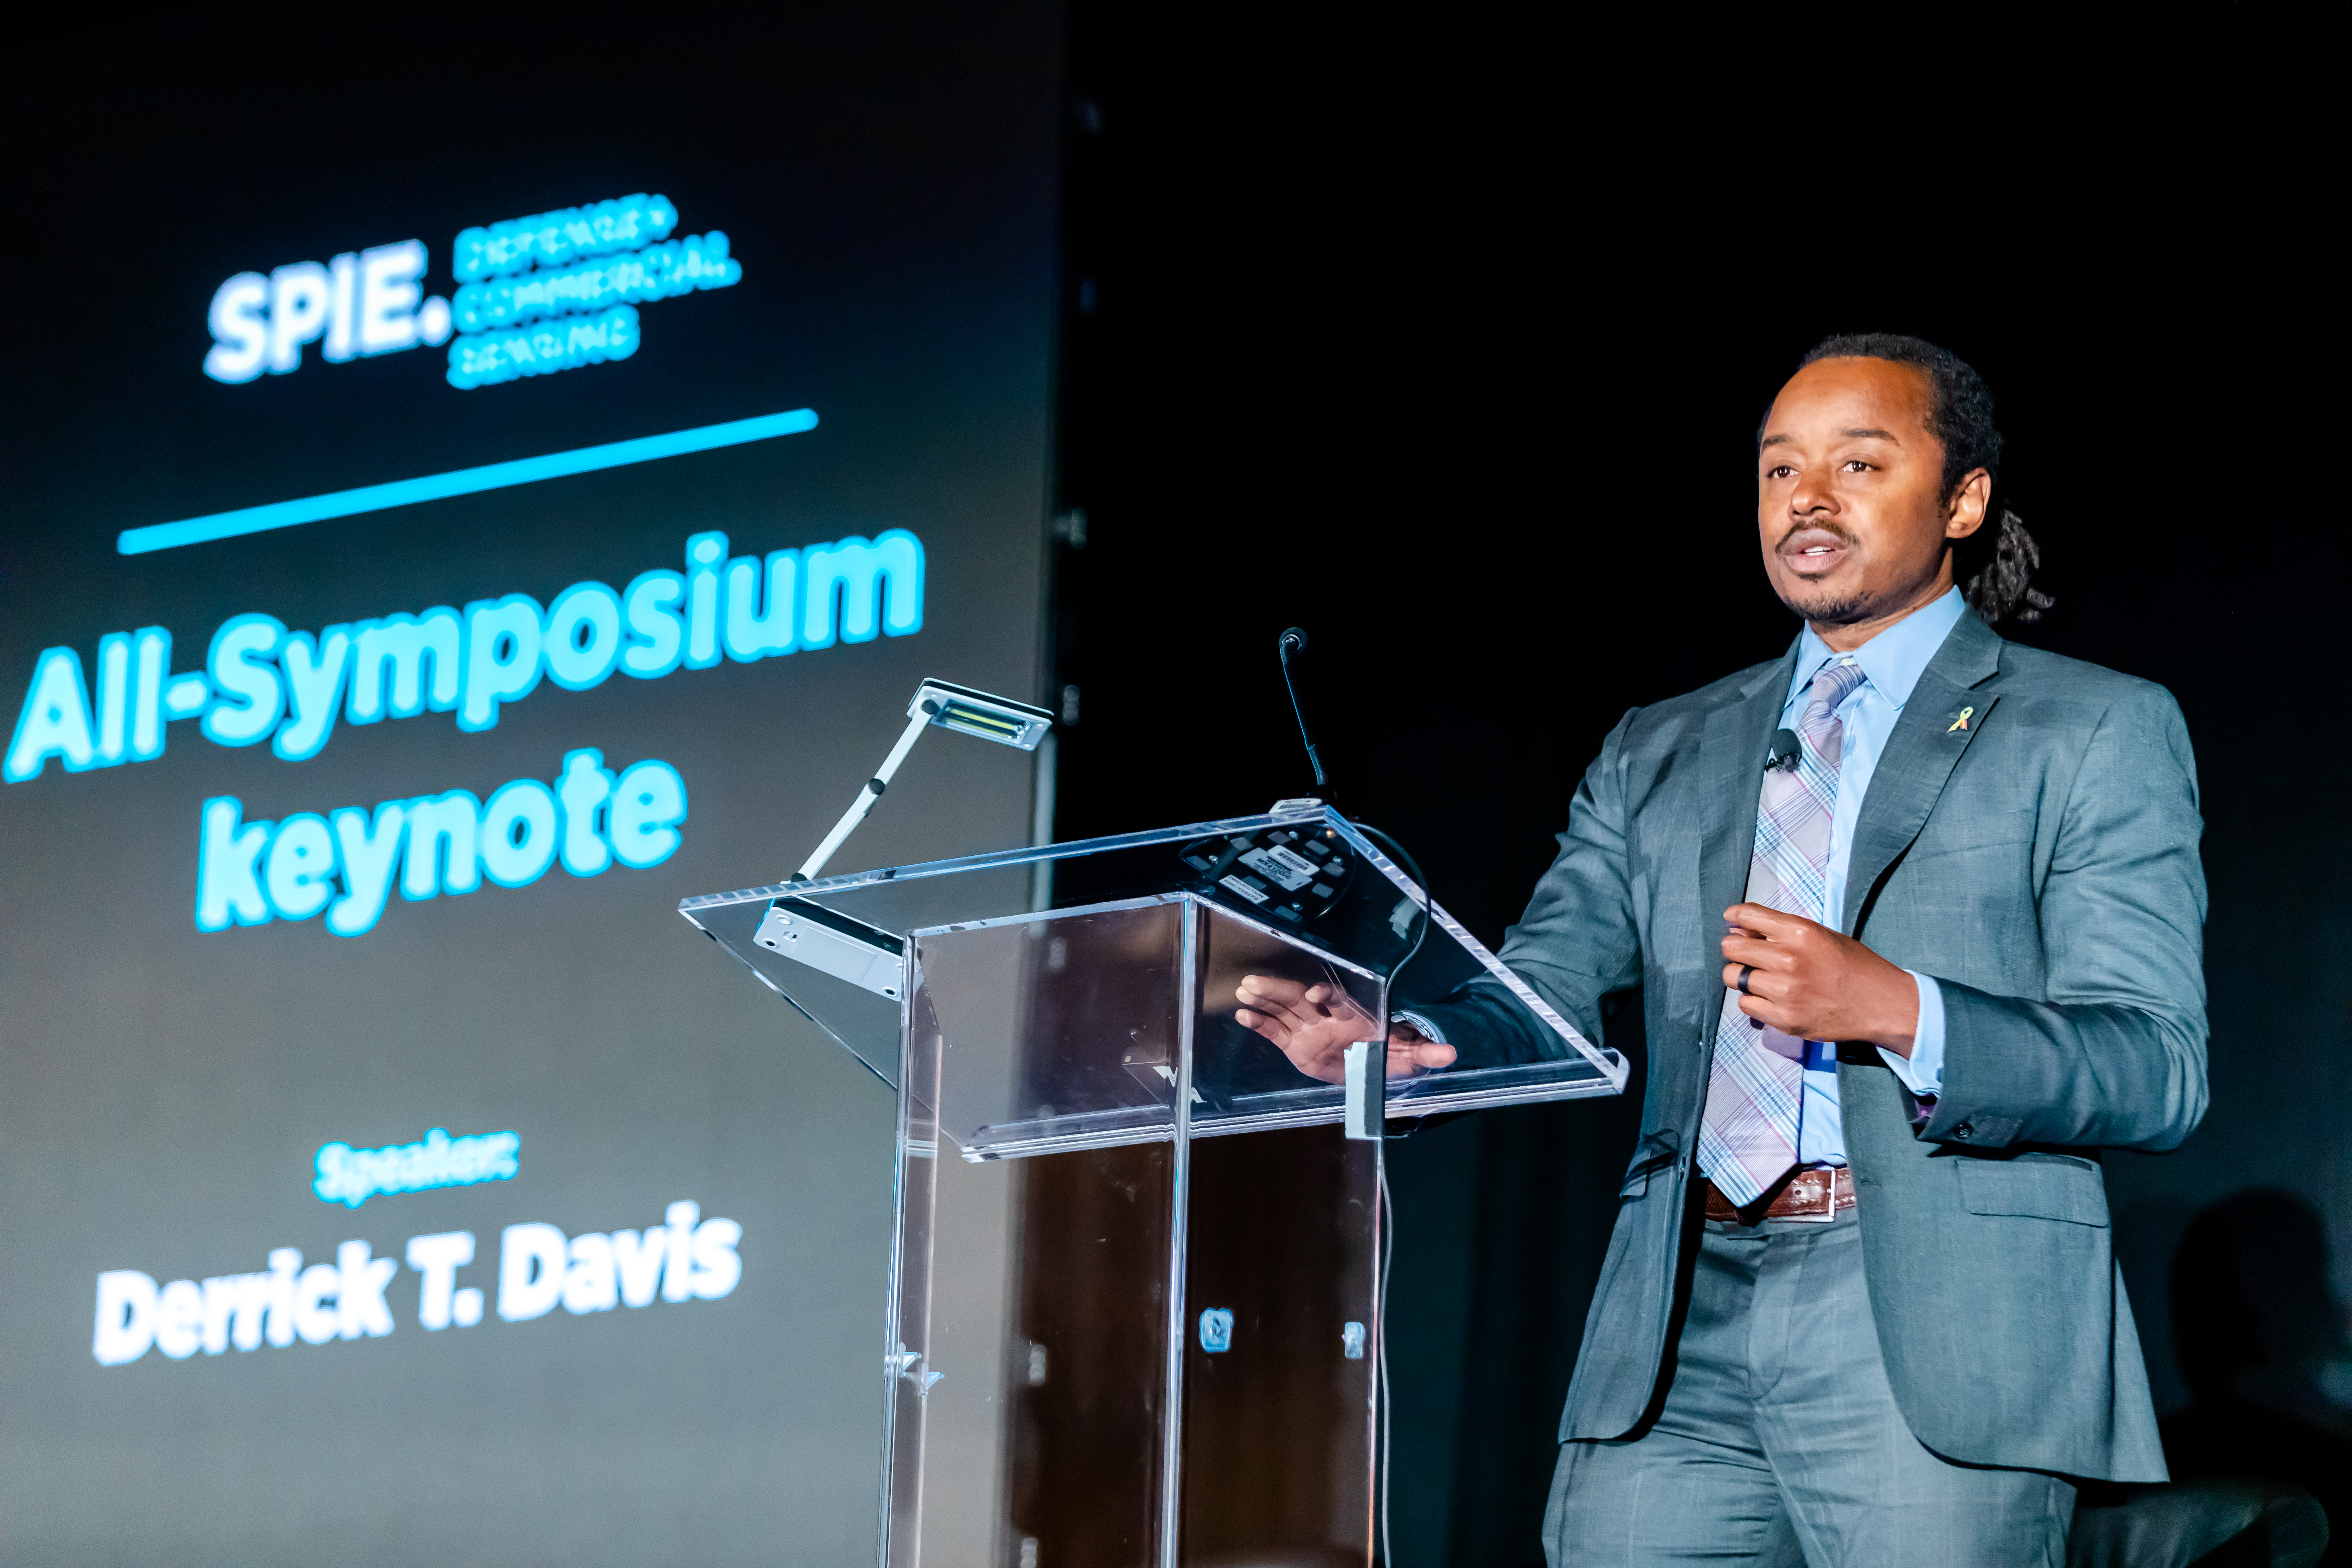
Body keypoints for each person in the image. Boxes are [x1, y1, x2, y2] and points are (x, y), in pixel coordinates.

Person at [1233, 334, 2207, 1565]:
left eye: (1860, 463)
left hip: (1933, 1327)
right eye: (1778, 469)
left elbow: (2157, 1068)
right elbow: (1545, 980)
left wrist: (1900, 1008)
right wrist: (1422, 1045)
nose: (1808, 497)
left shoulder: (2091, 726)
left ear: (1963, 500)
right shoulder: (1662, 746)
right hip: (1676, 1319)